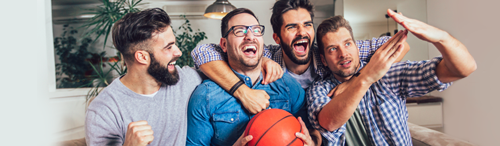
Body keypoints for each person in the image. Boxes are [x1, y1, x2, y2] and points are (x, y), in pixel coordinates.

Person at [190, 0, 410, 115]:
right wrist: (243, 91)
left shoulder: (330, 52)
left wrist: (354, 81)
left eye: (307, 25)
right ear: (276, 37)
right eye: (292, 27)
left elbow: (398, 44)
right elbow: (202, 52)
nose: (302, 32)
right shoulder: (267, 55)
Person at [307, 12, 476, 145]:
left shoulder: (387, 74)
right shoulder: (319, 89)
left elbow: (464, 69)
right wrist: (365, 78)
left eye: (348, 44)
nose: (343, 54)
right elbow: (328, 122)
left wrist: (442, 38)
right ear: (323, 60)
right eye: (332, 49)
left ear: (357, 47)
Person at [186, 8, 315, 146]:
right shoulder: (205, 96)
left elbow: (313, 133)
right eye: (239, 31)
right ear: (223, 44)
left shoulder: (289, 86)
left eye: (256, 30)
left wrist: (311, 143)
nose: (250, 36)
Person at [85, 8, 203, 146]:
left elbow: (219, 55)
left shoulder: (184, 80)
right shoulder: (103, 111)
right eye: (169, 47)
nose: (179, 52)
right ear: (142, 57)